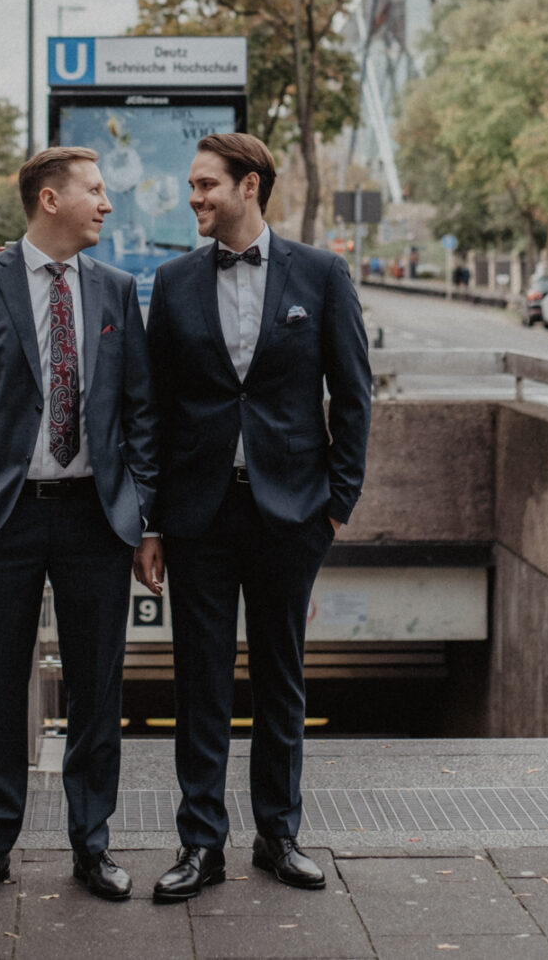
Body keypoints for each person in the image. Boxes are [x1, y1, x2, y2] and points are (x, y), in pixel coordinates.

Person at [140, 132, 370, 904]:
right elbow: (155, 411)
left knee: (281, 678)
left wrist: (334, 507)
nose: (195, 197)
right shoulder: (172, 283)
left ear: (250, 185)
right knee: (199, 681)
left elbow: (355, 397)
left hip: (290, 513)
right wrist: (151, 520)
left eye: (207, 185)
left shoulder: (322, 274)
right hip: (198, 514)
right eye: (194, 185)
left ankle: (280, 836)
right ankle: (200, 843)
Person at [0, 146, 157, 905]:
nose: (106, 203)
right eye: (95, 191)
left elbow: (140, 411)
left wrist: (141, 507)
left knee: (97, 690)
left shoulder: (118, 290)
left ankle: (92, 847)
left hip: (97, 516)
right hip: (2, 517)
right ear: (50, 199)